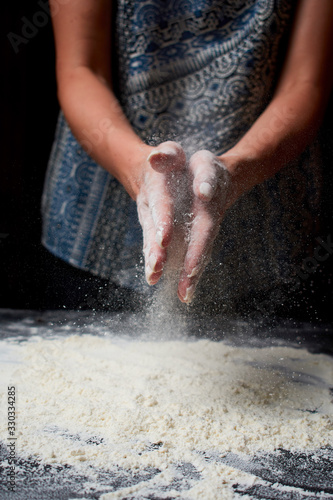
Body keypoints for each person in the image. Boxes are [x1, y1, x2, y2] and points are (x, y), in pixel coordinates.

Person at [42, 0, 333, 315]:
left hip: (269, 224)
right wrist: (139, 170)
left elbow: (305, 82)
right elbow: (81, 69)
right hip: (97, 219)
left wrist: (235, 171)